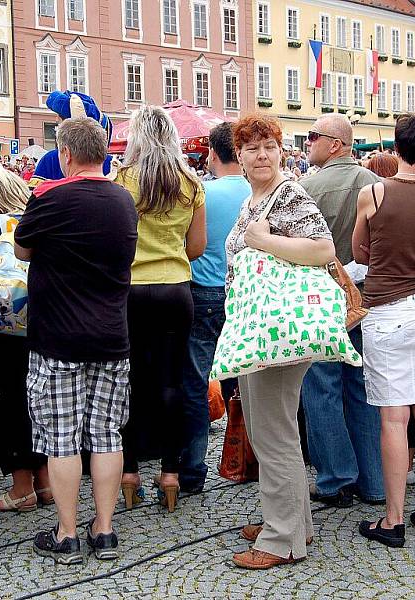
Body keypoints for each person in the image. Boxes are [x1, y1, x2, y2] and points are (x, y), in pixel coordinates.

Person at [14, 117, 138, 563]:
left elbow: (21, 249)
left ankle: (67, 534)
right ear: (103, 152)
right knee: (107, 434)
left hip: (58, 338)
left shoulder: (52, 198)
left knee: (62, 437)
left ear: (64, 154)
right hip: (111, 335)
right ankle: (104, 530)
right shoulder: (124, 200)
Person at [227, 113, 335, 570]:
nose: (262, 154)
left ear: (281, 150)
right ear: (240, 157)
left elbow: (324, 249)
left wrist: (267, 242)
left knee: (274, 435)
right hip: (257, 331)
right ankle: (294, 520)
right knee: (271, 429)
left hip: (278, 334)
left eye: (269, 145)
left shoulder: (287, 194)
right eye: (252, 148)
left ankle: (282, 539)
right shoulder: (255, 199)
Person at [351, 113, 415, 547]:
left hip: (385, 312)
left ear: (396, 146)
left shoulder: (373, 193)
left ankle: (392, 519)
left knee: (394, 418)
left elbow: (359, 251)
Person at [114, 105, 206, 513]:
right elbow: (196, 247)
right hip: (174, 289)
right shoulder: (189, 182)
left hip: (130, 291)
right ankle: (170, 471)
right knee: (172, 382)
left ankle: (130, 470)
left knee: (130, 381)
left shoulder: (122, 180)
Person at [298, 114, 384, 509]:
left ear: (335, 143)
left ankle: (335, 479)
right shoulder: (377, 184)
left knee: (322, 387)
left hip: (322, 300)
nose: (308, 142)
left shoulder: (305, 188)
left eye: (313, 136)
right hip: (366, 298)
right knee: (363, 387)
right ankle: (373, 481)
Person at [178, 122, 250, 493]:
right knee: (252, 381)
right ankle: (253, 460)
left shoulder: (202, 191)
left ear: (212, 153)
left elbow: (189, 243)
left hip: (205, 291)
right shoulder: (259, 191)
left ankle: (191, 470)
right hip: (249, 294)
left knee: (195, 381)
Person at [0, 168, 52, 513]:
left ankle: (22, 487)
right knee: (39, 400)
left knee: (5, 402)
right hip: (41, 324)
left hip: (1, 329)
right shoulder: (37, 221)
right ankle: (47, 481)